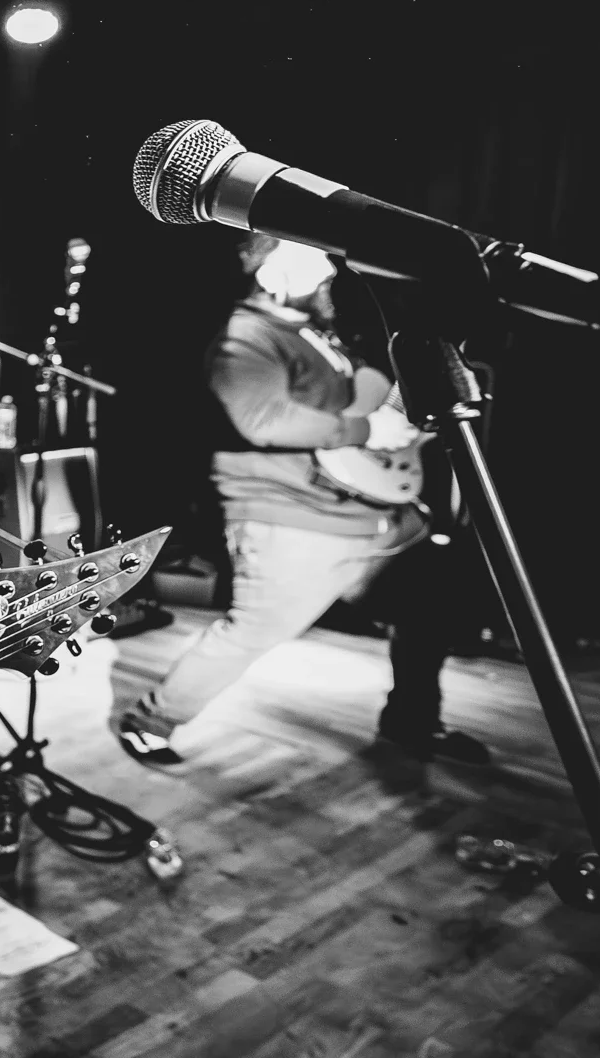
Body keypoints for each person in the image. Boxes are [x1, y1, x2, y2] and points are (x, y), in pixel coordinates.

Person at [112, 234, 486, 767]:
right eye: (315, 262)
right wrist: (364, 429)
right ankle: (149, 721)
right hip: (291, 519)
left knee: (429, 606)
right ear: (272, 273)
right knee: (251, 633)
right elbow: (262, 420)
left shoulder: (315, 336)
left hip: (369, 513)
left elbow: (373, 399)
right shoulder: (246, 338)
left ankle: (413, 720)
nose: (331, 270)